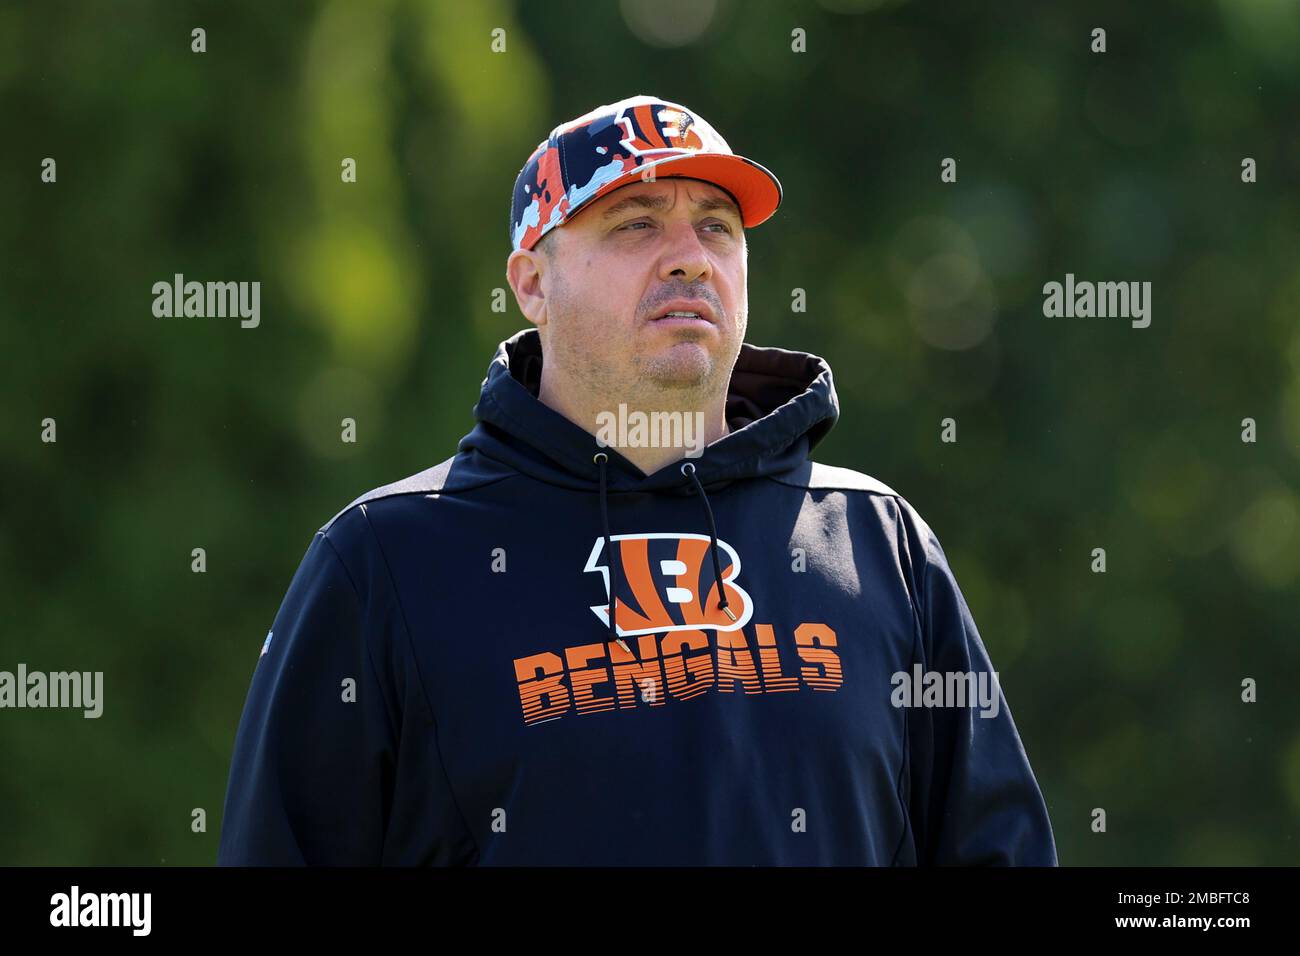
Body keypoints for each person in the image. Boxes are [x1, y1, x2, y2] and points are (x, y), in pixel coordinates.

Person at [217, 94, 1058, 866]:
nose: (690, 259)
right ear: (531, 283)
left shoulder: (880, 546)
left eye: (718, 227)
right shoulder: (385, 561)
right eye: (635, 223)